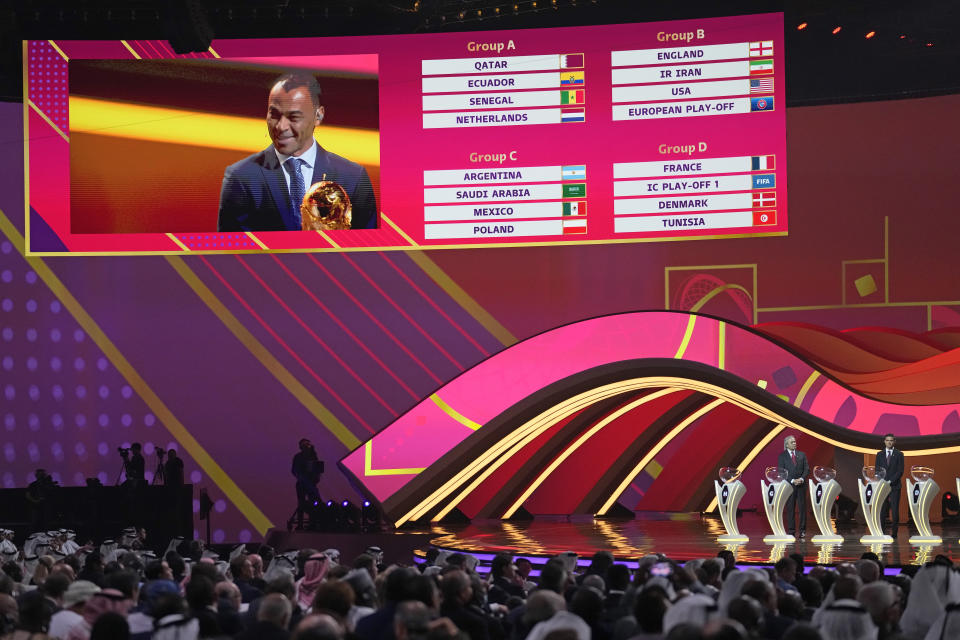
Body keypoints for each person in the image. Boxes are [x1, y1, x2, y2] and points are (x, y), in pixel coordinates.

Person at [217, 71, 377, 232]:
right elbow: (232, 251)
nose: (281, 126)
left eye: (293, 117)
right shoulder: (241, 177)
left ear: (318, 116)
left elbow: (369, 250)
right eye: (274, 114)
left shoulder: (354, 178)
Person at [777, 435, 809, 538]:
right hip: (789, 487)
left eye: (795, 442)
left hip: (801, 485)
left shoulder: (802, 455)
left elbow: (806, 469)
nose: (795, 443)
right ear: (787, 444)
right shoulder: (782, 456)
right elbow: (781, 472)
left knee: (802, 509)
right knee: (790, 508)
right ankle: (791, 531)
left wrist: (801, 479)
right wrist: (792, 480)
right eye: (792, 442)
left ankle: (802, 531)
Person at [291, 439, 324, 531]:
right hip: (302, 484)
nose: (307, 446)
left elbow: (317, 469)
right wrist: (302, 478)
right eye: (305, 444)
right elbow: (294, 470)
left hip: (311, 484)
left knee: (313, 503)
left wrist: (316, 479)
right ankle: (300, 524)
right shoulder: (298, 457)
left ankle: (312, 523)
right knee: (301, 503)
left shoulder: (313, 456)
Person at [875, 434, 904, 533]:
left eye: (891, 440)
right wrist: (882, 481)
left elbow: (900, 471)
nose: (889, 442)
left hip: (894, 486)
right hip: (883, 487)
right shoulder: (879, 454)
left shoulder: (899, 454)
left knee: (895, 510)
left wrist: (890, 481)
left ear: (894, 441)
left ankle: (894, 533)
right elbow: (877, 470)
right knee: (882, 510)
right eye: (887, 440)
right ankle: (882, 532)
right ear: (884, 441)